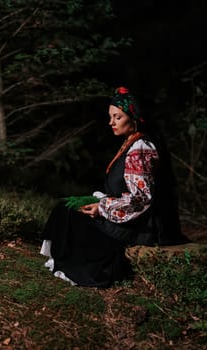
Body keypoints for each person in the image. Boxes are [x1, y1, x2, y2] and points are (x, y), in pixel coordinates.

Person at [40, 86, 189, 288]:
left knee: (71, 216)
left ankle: (74, 264)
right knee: (65, 207)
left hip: (142, 227)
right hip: (128, 215)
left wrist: (102, 208)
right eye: (111, 117)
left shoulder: (141, 148)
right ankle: (61, 259)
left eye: (117, 117)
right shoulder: (131, 142)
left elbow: (141, 199)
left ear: (133, 117)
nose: (111, 122)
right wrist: (102, 201)